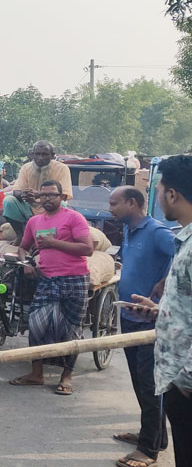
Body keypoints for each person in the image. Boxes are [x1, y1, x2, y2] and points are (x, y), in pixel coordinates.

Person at [126, 155, 192, 467]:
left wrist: (185, 379)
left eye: (160, 187)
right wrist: (161, 309)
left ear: (171, 194)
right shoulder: (185, 240)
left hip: (186, 381)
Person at [108, 186, 173, 467]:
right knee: (139, 380)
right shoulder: (129, 230)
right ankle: (155, 436)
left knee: (149, 384)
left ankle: (147, 450)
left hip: (150, 321)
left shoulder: (157, 232)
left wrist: (161, 286)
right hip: (129, 316)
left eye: (114, 203)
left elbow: (181, 258)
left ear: (132, 203)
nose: (110, 209)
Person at [9, 180, 93, 396]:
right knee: (36, 324)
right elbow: (23, 247)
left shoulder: (74, 217)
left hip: (75, 279)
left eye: (51, 195)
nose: (46, 199)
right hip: (46, 279)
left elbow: (87, 248)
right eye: (43, 195)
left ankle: (67, 376)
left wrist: (54, 243)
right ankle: (36, 373)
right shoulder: (34, 222)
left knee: (72, 328)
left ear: (61, 196)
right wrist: (27, 262)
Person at [2, 141, 73, 240]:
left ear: (52, 155)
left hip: (50, 206)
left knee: (63, 205)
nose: (40, 158)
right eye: (37, 154)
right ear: (32, 154)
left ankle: (52, 239)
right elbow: (16, 191)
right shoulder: (26, 168)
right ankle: (21, 236)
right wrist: (25, 194)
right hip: (29, 206)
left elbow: (64, 195)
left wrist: (39, 195)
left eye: (44, 154)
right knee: (8, 201)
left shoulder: (62, 168)